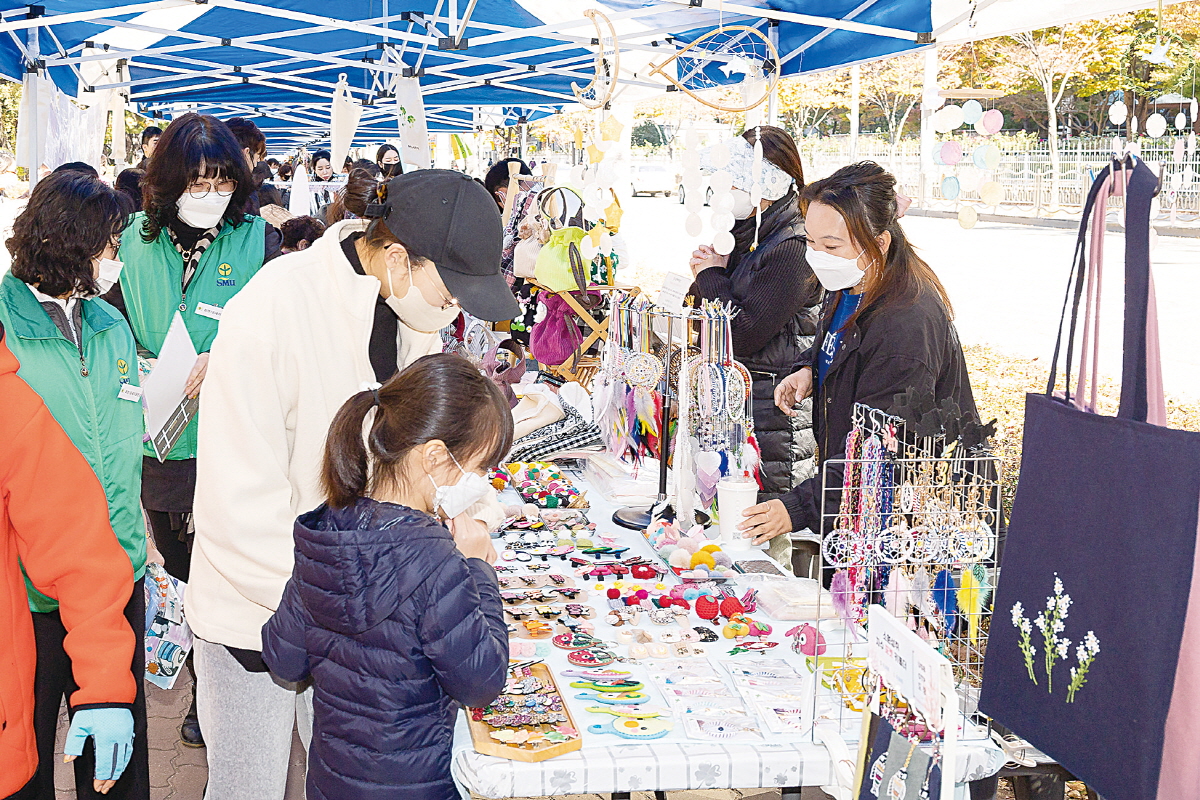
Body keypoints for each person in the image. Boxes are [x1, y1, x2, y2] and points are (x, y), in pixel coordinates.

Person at [186, 170, 519, 800]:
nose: (451, 310)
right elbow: (236, 501)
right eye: (449, 294)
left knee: (346, 779)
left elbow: (401, 465)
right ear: (396, 257)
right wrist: (338, 600)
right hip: (258, 605)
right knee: (247, 786)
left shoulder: (406, 312)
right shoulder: (273, 308)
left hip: (356, 613)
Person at [262, 354, 511, 800]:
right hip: (416, 786)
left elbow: (284, 658)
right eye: (479, 467)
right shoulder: (438, 563)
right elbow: (480, 682)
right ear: (434, 457)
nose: (483, 481)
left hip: (332, 783)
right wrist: (480, 570)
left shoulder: (327, 535)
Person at [103, 112, 277, 749]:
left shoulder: (256, 239)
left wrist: (227, 353)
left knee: (225, 561)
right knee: (177, 566)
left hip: (229, 434)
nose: (210, 197)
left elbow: (273, 331)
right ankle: (200, 677)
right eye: (197, 185)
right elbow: (106, 321)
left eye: (222, 183)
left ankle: (218, 693)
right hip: (158, 437)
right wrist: (138, 361)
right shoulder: (129, 240)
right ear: (168, 184)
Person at [0, 171, 148, 800]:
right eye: (111, 245)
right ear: (73, 244)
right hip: (31, 594)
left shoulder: (112, 326)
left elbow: (126, 431)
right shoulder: (6, 331)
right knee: (27, 752)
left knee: (116, 774)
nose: (116, 259)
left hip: (118, 574)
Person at [739, 162, 978, 547]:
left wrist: (798, 508)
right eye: (811, 242)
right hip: (853, 499)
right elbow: (840, 345)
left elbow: (881, 451)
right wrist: (810, 370)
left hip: (902, 520)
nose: (817, 256)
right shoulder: (852, 280)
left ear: (879, 242)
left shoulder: (906, 327)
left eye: (831, 246)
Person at [688, 126, 822, 561]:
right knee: (738, 519)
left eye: (735, 179)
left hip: (774, 407)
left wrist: (711, 275)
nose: (726, 190)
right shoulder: (755, 231)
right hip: (749, 401)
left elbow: (744, 329)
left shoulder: (791, 244)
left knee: (766, 533)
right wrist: (711, 271)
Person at [309, 149, 336, 216]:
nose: (325, 172)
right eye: (320, 169)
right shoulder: (310, 189)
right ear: (314, 169)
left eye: (328, 167)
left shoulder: (339, 186)